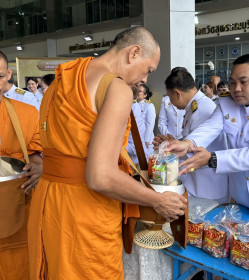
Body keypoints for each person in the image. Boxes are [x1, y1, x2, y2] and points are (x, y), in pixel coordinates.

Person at [27, 26, 186, 280]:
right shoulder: (116, 88)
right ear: (134, 53)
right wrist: (156, 200)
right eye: (148, 70)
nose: (145, 80)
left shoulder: (64, 78)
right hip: (85, 211)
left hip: (50, 203)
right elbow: (100, 176)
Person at [164, 54, 249, 215]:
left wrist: (213, 159)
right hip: (242, 198)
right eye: (232, 82)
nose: (236, 88)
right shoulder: (227, 102)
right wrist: (188, 143)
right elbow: (210, 127)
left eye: (243, 82)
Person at [155, 67, 229, 203]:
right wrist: (174, 142)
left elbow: (196, 148)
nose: (170, 102)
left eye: (170, 96)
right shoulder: (195, 106)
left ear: (177, 93)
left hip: (207, 184)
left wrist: (173, 147)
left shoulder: (202, 108)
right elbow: (192, 138)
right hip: (198, 180)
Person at [0, 50, 43, 280]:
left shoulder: (26, 113)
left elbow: (36, 150)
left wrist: (38, 165)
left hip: (18, 210)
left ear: (8, 74)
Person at [136, 83, 156, 157]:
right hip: (135, 139)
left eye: (139, 91)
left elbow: (150, 124)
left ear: (145, 95)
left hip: (145, 139)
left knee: (146, 163)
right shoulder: (133, 104)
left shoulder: (149, 106)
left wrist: (146, 141)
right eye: (136, 90)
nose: (137, 92)